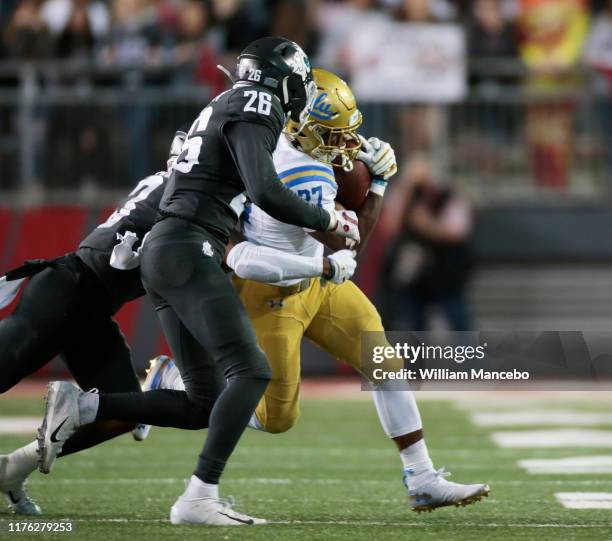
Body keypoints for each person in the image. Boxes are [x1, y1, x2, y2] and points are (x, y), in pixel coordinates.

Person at [38, 37, 360, 526]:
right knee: (251, 373)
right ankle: (198, 498)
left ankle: (84, 405)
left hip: (169, 247)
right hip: (190, 246)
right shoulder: (258, 101)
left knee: (202, 403)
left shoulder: (226, 102)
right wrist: (328, 220)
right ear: (281, 79)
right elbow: (265, 190)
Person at [136, 69, 489, 512]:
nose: (345, 144)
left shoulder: (280, 143)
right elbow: (349, 241)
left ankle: (422, 477)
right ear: (303, 126)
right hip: (274, 288)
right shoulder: (300, 171)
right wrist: (377, 185)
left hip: (317, 281)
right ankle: (171, 378)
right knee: (277, 416)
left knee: (384, 363)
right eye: (333, 134)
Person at [0, 129, 187, 516]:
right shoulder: (176, 194)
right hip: (67, 291)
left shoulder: (168, 187)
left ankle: (9, 469)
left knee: (122, 411)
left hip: (91, 306)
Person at [382, 156, 473, 331]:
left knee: (459, 323)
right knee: (412, 326)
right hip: (414, 278)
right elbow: (389, 229)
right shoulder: (404, 200)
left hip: (445, 274)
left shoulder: (448, 199)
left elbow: (457, 232)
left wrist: (427, 226)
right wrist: (406, 196)